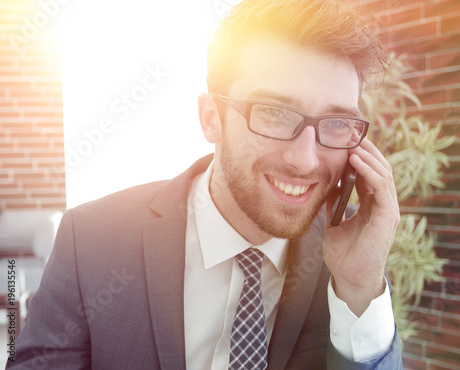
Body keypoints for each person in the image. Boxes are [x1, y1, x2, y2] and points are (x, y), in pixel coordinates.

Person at [8, 0, 403, 369]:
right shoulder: (91, 240)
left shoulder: (351, 256)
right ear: (211, 118)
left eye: (336, 123)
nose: (305, 159)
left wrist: (358, 290)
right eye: (274, 113)